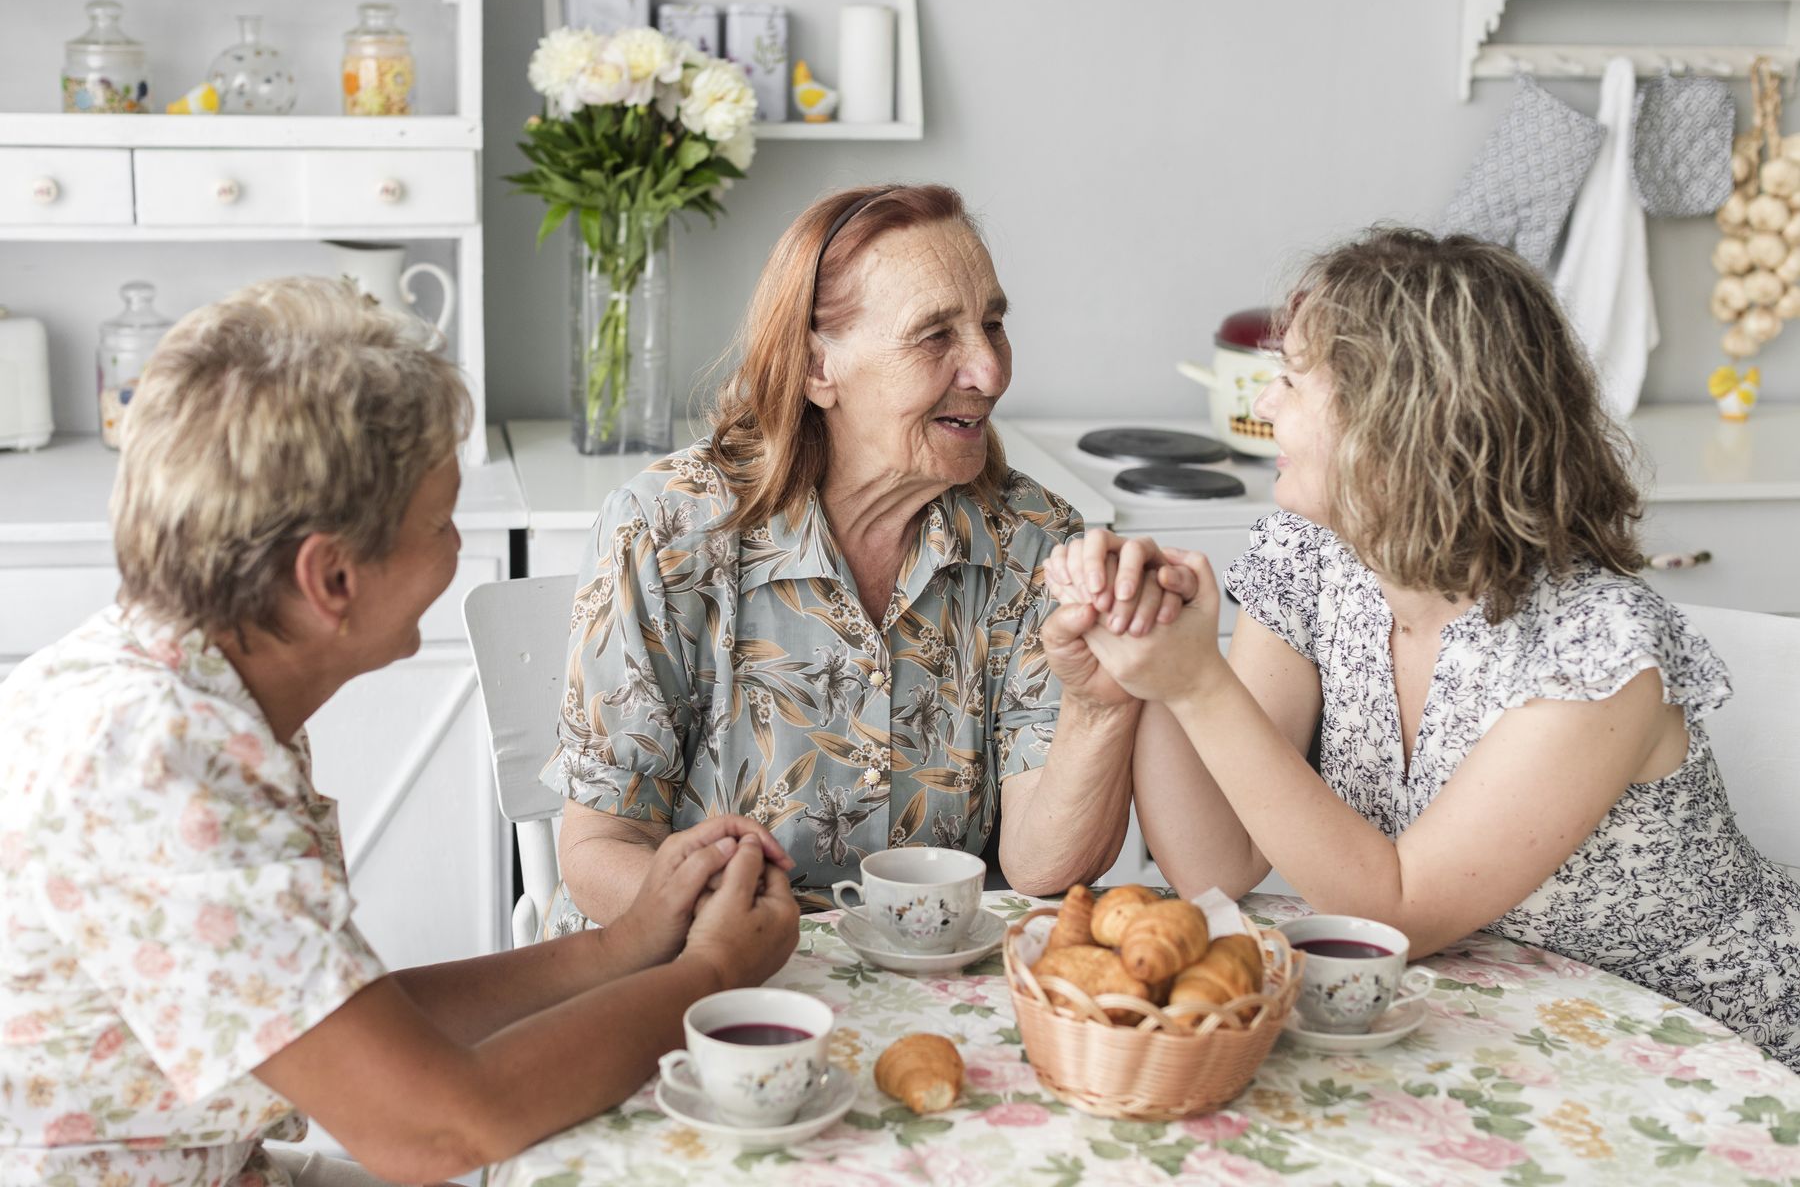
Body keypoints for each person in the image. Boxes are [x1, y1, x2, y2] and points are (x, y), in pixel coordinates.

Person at [0, 278, 800, 1187]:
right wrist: (709, 978)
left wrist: (623, 946)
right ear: (331, 579)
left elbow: (355, 1020)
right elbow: (437, 1129)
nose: (456, 545)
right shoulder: (155, 769)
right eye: (439, 520)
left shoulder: (182, 695)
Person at [1048, 228, 1800, 1067]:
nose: (1266, 406)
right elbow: (1213, 867)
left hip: (1704, 1051)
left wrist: (1198, 686)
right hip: (1484, 1028)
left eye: (1292, 381)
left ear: (1393, 424)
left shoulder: (1595, 649)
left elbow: (1394, 912)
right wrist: (1151, 651)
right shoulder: (1312, 558)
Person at [543, 184, 1182, 926]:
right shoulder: (667, 532)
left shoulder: (1033, 542)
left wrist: (1101, 708)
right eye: (936, 336)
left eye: (994, 325)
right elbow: (601, 846)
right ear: (819, 369)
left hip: (923, 976)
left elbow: (1042, 868)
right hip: (698, 970)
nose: (991, 372)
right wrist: (746, 935)